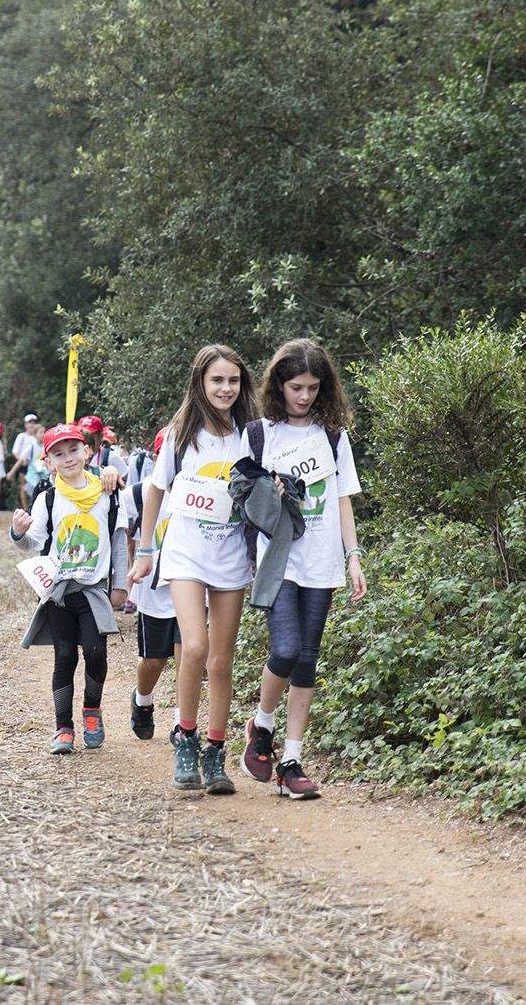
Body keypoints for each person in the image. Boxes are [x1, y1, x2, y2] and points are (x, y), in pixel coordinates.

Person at [239, 339, 366, 800]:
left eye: (313, 387)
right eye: (296, 387)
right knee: (287, 648)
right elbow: (240, 497)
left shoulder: (332, 437)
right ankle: (262, 725)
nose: (305, 396)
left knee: (308, 659)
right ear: (278, 385)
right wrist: (265, 490)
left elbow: (342, 498)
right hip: (278, 560)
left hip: (322, 560)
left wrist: (354, 557)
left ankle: (290, 760)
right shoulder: (258, 435)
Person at [128, 345, 255, 795]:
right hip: (184, 553)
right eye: (217, 380)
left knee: (221, 661)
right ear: (200, 382)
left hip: (231, 555)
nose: (225, 388)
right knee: (194, 646)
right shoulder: (183, 432)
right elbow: (154, 490)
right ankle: (185, 737)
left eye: (233, 381)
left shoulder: (252, 433)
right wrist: (145, 551)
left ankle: (215, 751)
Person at [11, 422, 129, 753]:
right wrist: (18, 532)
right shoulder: (47, 499)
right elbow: (33, 542)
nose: (68, 458)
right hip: (59, 593)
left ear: (87, 451)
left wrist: (120, 584)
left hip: (94, 590)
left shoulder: (108, 492)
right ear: (48, 462)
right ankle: (63, 727)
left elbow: (119, 538)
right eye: (58, 454)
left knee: (95, 651)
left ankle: (92, 708)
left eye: (74, 450)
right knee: (64, 656)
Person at [123, 429, 178, 739]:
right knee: (154, 659)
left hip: (195, 590)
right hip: (154, 593)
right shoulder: (140, 493)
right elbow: (108, 507)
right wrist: (106, 474)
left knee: (190, 657)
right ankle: (142, 700)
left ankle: (183, 724)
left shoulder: (205, 488)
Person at [9, 413, 41, 507]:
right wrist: (21, 460)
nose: (32, 424)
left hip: (36, 465)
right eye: (29, 422)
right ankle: (25, 507)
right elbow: (15, 451)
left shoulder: (38, 436)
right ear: (25, 424)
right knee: (23, 486)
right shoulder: (21, 436)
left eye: (34, 422)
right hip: (23, 464)